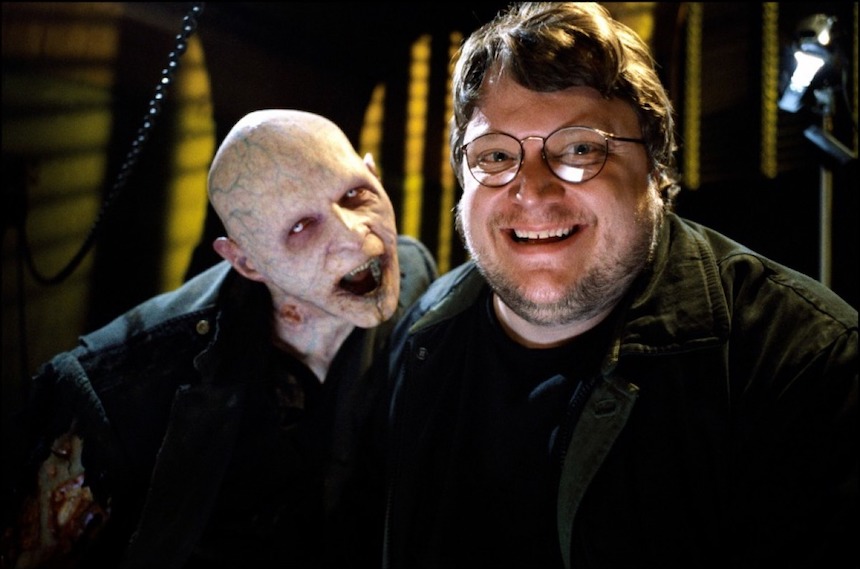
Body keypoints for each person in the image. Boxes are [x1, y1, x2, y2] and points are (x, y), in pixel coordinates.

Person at [381, 3, 858, 569]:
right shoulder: (420, 333)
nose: (531, 190)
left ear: (655, 164)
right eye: (497, 155)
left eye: (580, 148)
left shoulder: (805, 363)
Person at [0, 109, 437, 569]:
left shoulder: (413, 276)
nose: (355, 236)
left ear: (375, 175)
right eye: (300, 227)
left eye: (354, 194)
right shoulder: (121, 388)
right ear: (246, 261)